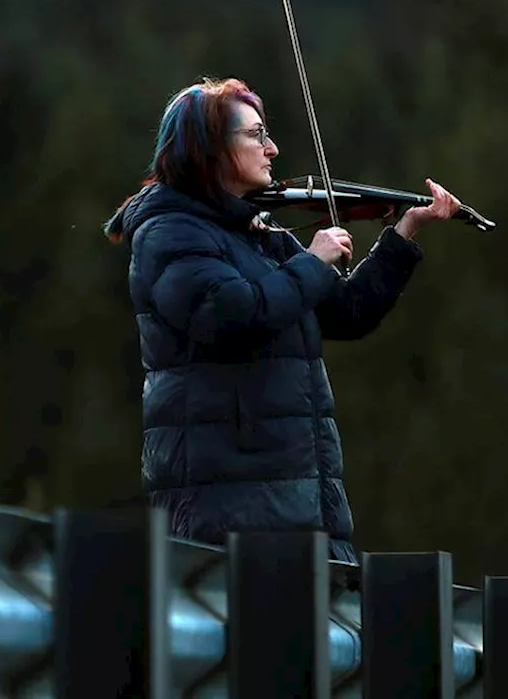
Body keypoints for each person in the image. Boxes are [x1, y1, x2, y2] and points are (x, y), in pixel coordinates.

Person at [103, 76, 461, 563]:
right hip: (231, 513)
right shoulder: (169, 233)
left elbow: (347, 313)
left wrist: (403, 234)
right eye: (255, 135)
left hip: (299, 506)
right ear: (208, 150)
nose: (272, 149)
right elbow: (231, 315)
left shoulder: (257, 231)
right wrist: (313, 261)